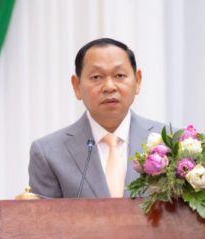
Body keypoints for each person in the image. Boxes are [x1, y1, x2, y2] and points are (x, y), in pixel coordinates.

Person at [28, 37, 165, 199]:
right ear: (77, 86)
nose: (109, 87)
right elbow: (44, 215)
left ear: (137, 81)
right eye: (96, 77)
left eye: (119, 75)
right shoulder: (49, 153)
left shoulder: (171, 142)